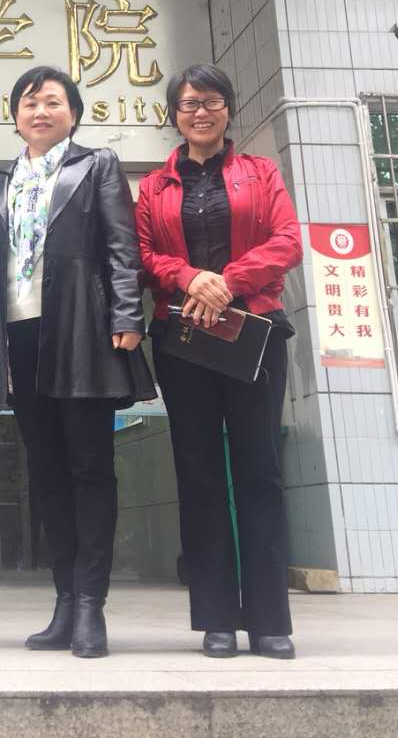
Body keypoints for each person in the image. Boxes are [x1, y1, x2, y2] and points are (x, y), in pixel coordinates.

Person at [0, 65, 154, 659]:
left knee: (89, 467)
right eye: (28, 103)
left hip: (84, 331)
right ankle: (65, 599)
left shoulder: (96, 166)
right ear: (15, 117)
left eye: (51, 101)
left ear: (73, 112)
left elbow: (122, 246)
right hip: (18, 337)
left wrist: (127, 315)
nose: (39, 111)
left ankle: (91, 604)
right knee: (44, 470)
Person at [135, 63, 303, 661]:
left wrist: (227, 281)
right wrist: (189, 278)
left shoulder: (261, 172)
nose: (199, 112)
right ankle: (216, 619)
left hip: (253, 332)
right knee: (199, 473)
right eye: (188, 104)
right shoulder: (153, 187)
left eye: (210, 102)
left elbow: (287, 241)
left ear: (228, 109)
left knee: (259, 471)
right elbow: (142, 254)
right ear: (174, 116)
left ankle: (269, 620)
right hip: (184, 340)